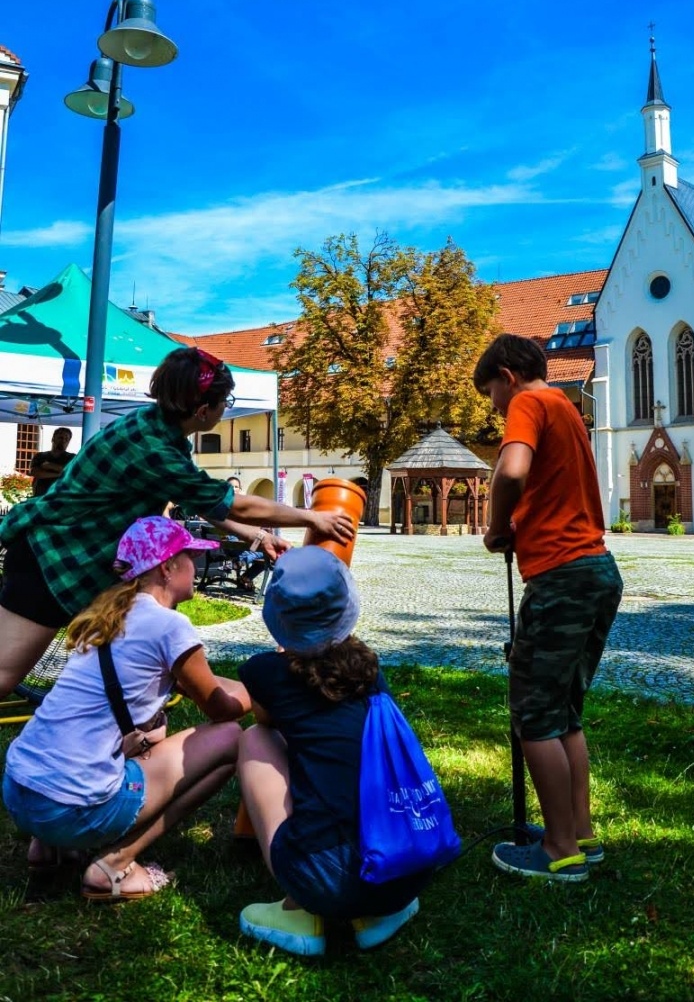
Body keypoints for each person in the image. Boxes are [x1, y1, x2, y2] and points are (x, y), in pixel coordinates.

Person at [0, 347, 354, 698]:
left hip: (65, 560)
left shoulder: (154, 429)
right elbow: (234, 504)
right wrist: (310, 515)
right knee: (3, 674)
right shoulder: (155, 449)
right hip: (51, 562)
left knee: (117, 671)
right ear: (202, 411)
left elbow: (199, 499)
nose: (223, 410)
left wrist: (257, 538)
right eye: (223, 404)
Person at [2, 516, 251, 899]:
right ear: (168, 568)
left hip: (20, 790)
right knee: (231, 740)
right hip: (71, 809)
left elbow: (200, 680)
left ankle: (48, 848)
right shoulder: (170, 625)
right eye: (190, 558)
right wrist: (261, 687)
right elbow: (222, 710)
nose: (195, 567)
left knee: (149, 729)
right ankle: (115, 866)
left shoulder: (105, 617)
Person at [473, 333, 623, 884]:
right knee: (564, 714)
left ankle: (558, 850)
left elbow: (512, 470)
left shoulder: (529, 403)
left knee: (534, 715)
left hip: (560, 576)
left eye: (491, 393)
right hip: (596, 571)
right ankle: (580, 833)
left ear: (508, 376)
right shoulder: (566, 406)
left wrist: (496, 528)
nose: (494, 407)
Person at [236, 545, 432, 956]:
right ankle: (375, 915)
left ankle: (299, 910)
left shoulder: (264, 673)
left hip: (323, 880)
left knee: (255, 738)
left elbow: (268, 721)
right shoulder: (371, 673)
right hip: (407, 867)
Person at [29, 427, 75, 497]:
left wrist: (51, 466)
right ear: (53, 439)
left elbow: (73, 472)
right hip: (41, 497)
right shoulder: (40, 456)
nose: (63, 440)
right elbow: (35, 473)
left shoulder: (72, 458)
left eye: (66, 439)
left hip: (61, 498)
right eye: (60, 437)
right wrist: (60, 474)